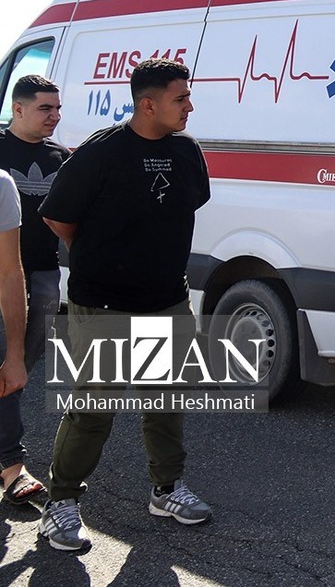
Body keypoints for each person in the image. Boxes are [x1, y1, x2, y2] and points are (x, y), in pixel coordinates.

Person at [37, 58, 212, 552]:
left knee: (166, 401)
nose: (189, 106)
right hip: (105, 303)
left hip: (167, 300)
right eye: (180, 98)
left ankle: (167, 490)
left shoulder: (186, 151)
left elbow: (178, 209)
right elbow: (59, 220)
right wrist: (105, 265)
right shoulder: (102, 152)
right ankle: (62, 500)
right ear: (148, 103)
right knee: (95, 407)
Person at [0, 75, 69, 506]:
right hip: (3, 271)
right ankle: (11, 463)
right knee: (6, 354)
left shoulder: (63, 157)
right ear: (19, 108)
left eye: (58, 108)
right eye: (45, 108)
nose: (55, 116)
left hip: (42, 273)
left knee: (19, 361)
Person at [0, 171, 32, 503]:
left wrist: (14, 354)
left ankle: (12, 465)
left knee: (5, 389)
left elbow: (9, 271)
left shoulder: (1, 185)